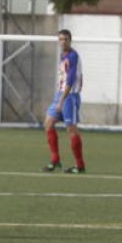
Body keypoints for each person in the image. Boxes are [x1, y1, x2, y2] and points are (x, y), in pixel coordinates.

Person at [42, 29, 86, 174]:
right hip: (61, 94)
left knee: (71, 129)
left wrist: (61, 100)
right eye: (61, 39)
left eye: (66, 39)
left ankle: (79, 166)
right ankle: (55, 160)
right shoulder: (63, 55)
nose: (63, 42)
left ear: (70, 40)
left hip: (70, 97)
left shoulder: (73, 56)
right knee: (48, 123)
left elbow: (71, 79)